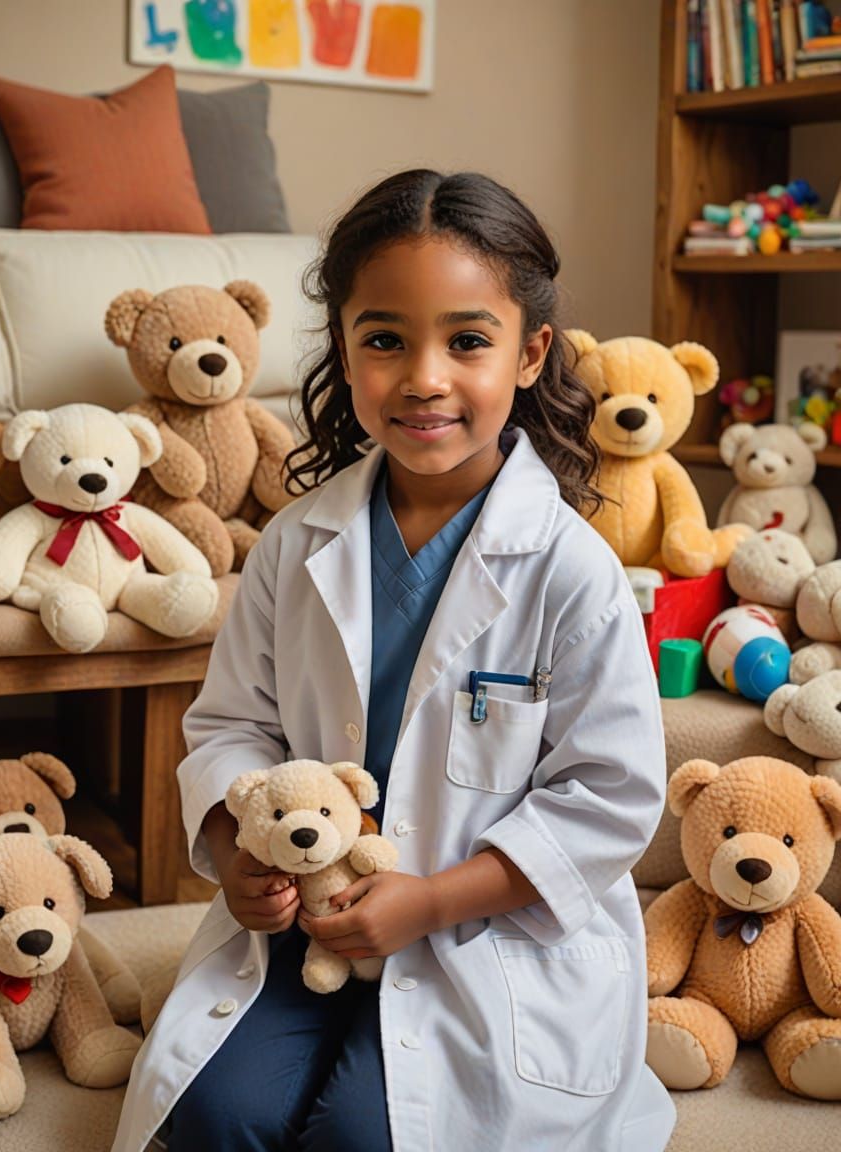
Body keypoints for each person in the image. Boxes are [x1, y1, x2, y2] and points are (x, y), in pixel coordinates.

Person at [112, 169, 676, 1152]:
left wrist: (428, 901)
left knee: (363, 1140)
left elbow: (607, 798)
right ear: (344, 347)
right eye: (384, 339)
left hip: (482, 932)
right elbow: (231, 727)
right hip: (311, 917)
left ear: (530, 351)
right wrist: (240, 846)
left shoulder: (571, 571)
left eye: (466, 340)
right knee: (211, 1116)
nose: (423, 376)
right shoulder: (296, 544)